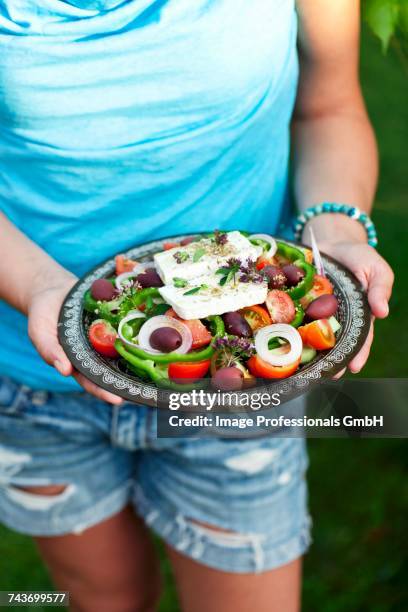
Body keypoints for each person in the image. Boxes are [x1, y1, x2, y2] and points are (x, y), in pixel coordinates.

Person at [0, 1, 394, 611]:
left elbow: (328, 107)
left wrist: (337, 232)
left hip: (237, 386)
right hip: (32, 381)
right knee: (105, 600)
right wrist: (39, 288)